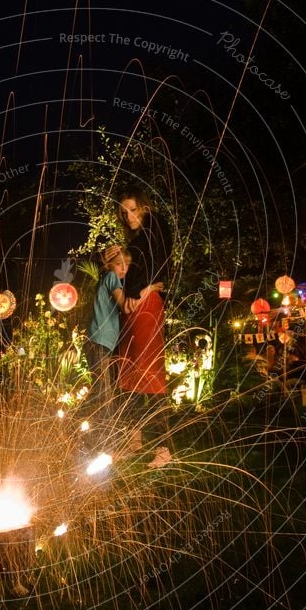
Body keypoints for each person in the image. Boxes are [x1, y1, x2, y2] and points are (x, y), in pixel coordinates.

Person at [105, 187, 173, 466]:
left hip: (146, 306)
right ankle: (135, 441)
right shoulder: (137, 238)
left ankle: (165, 450)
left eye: (132, 209)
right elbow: (131, 268)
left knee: (151, 376)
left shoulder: (154, 224)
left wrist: (144, 291)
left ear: (144, 208)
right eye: (124, 212)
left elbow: (158, 260)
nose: (128, 215)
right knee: (131, 374)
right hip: (134, 307)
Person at [85, 248, 131, 421]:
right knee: (103, 391)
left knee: (101, 388)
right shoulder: (112, 277)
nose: (123, 268)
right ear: (109, 264)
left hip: (98, 339)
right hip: (101, 339)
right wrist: (149, 289)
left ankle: (99, 429)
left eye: (126, 264)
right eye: (119, 264)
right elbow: (126, 306)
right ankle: (105, 432)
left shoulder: (103, 279)